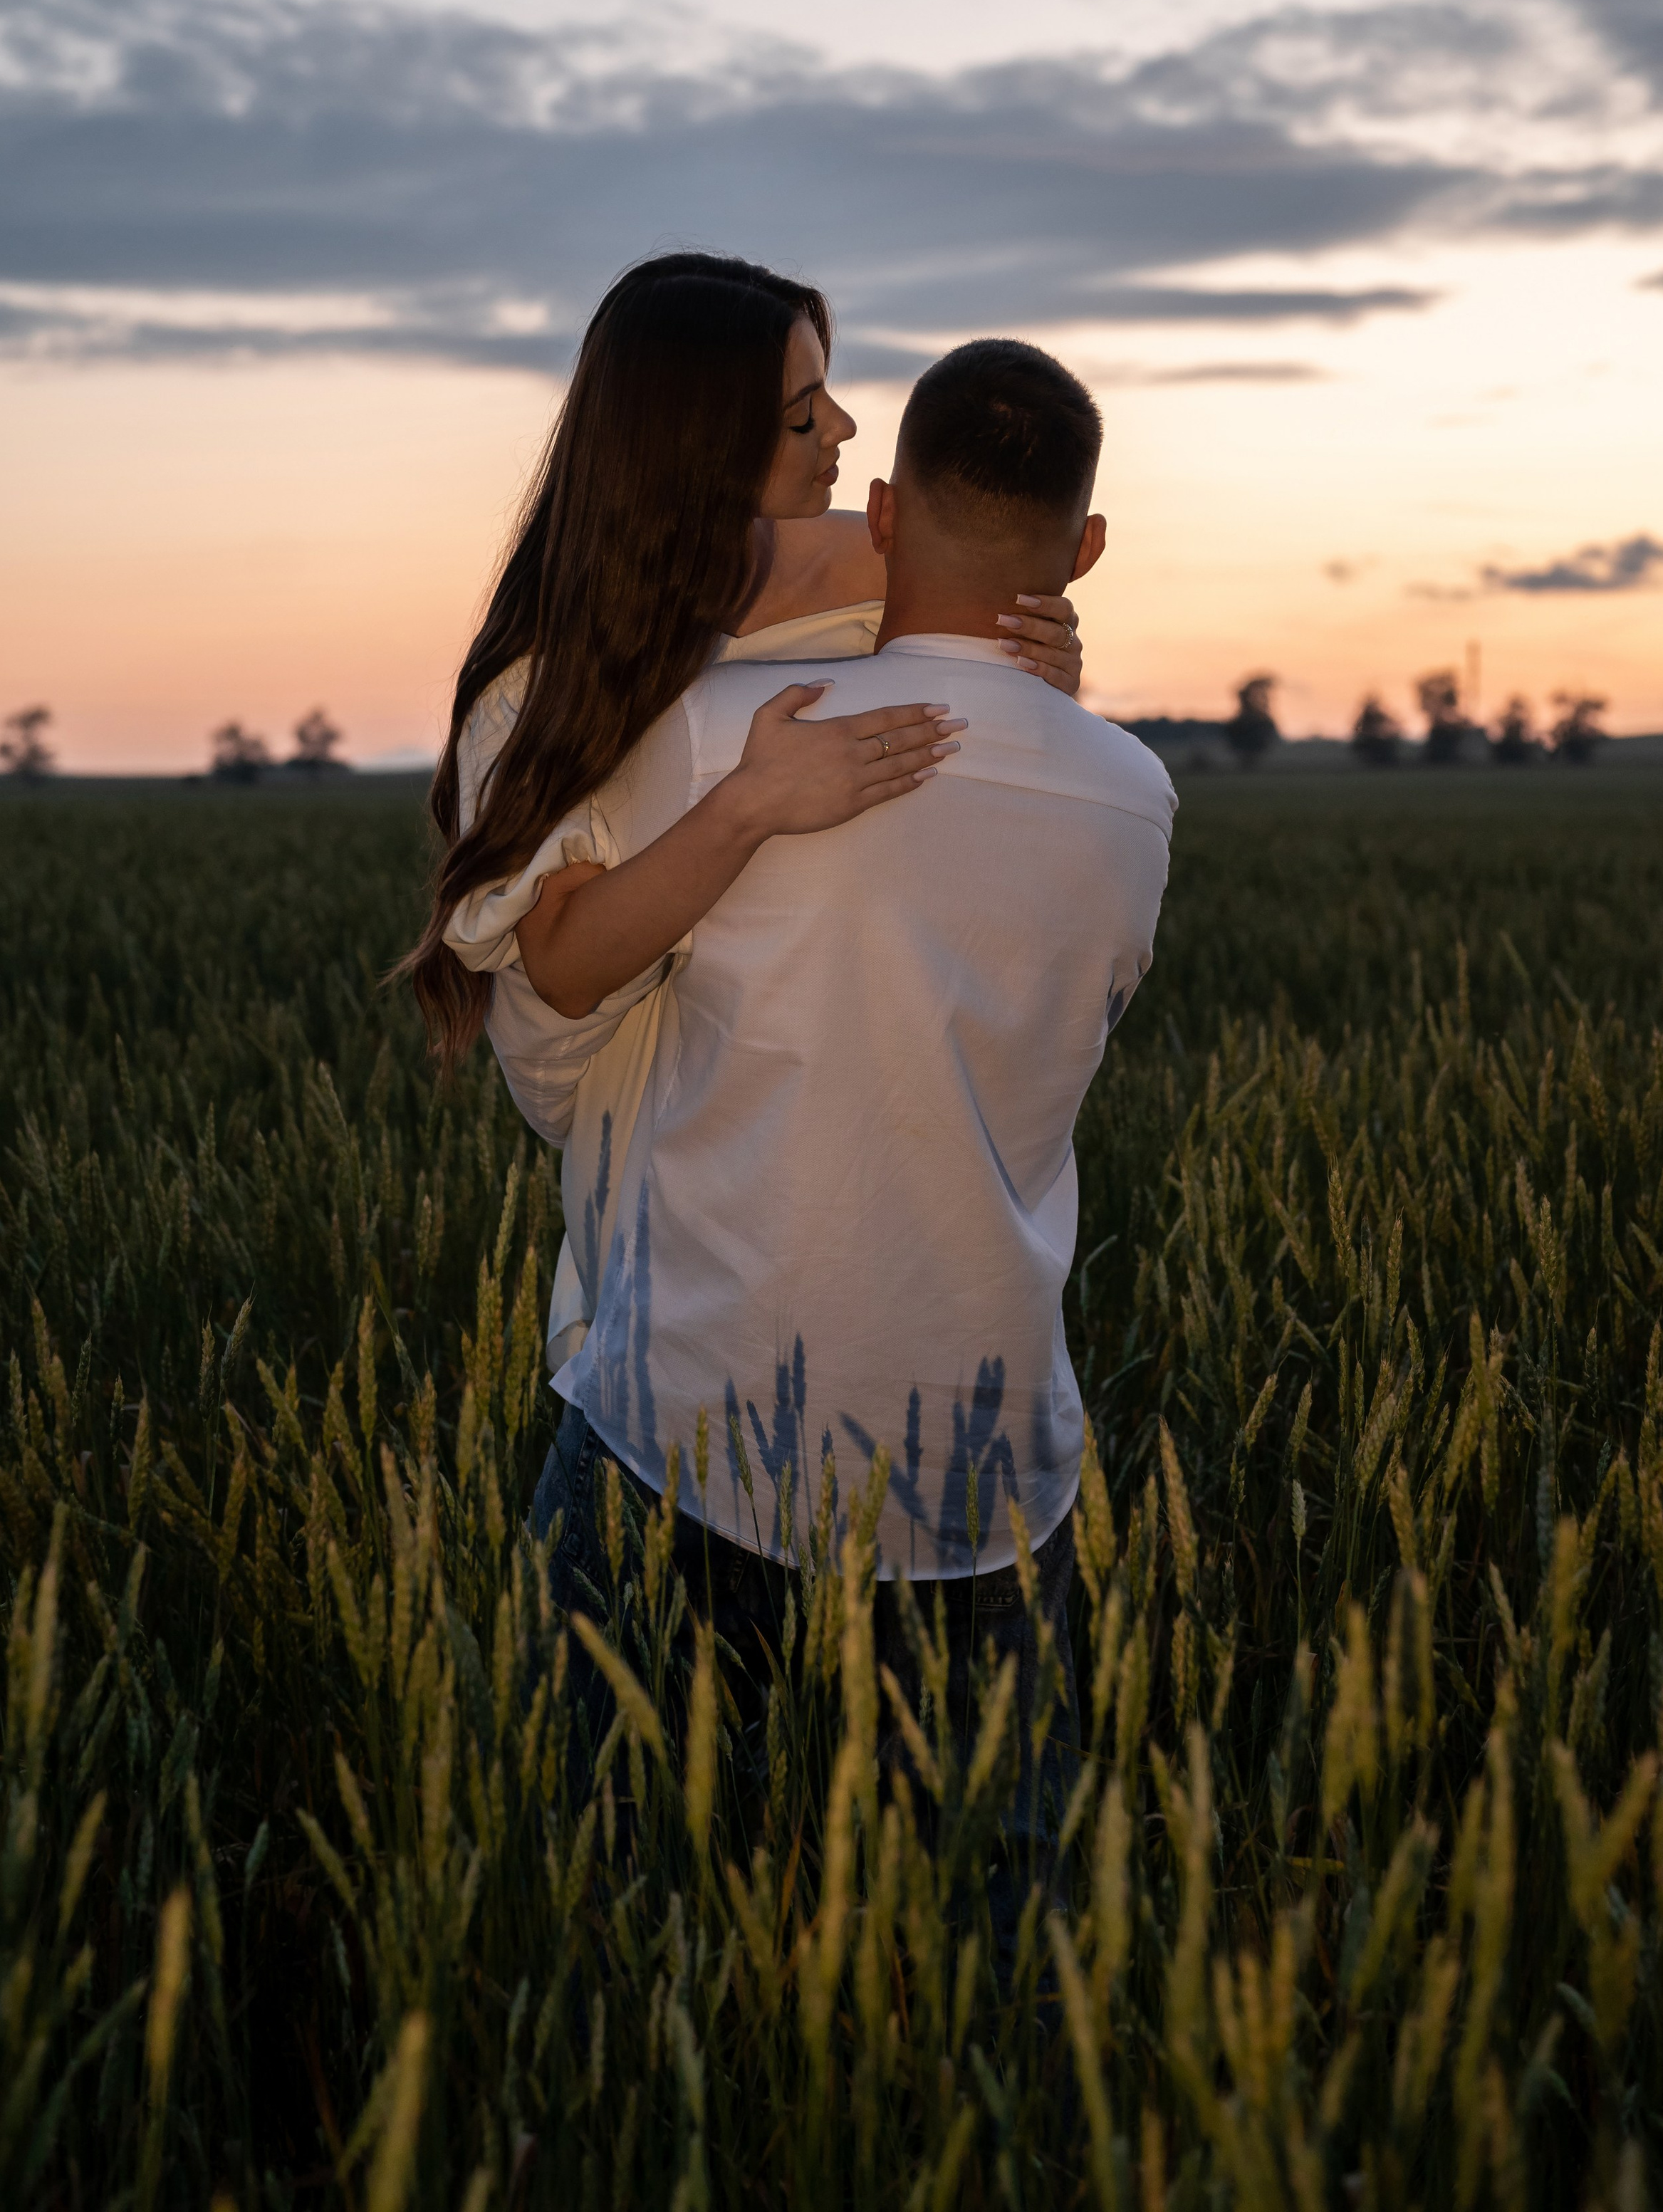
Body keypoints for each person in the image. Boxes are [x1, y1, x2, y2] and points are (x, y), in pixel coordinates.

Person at [491, 338, 1174, 1901]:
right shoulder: (1133, 797)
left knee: (598, 1887)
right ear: (1079, 554)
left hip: (687, 1411)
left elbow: (547, 937)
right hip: (981, 1448)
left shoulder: (723, 725)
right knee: (1002, 1927)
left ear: (880, 515)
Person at [402, 253, 1093, 1362]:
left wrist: (1043, 668)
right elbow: (569, 973)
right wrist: (749, 805)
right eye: (802, 415)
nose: (848, 428)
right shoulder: (534, 686)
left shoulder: (833, 561)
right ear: (701, 445)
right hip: (625, 1061)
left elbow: (988, 612)